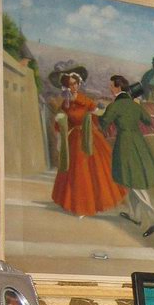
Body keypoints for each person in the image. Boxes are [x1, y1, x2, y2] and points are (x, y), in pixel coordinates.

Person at [48, 65, 126, 217]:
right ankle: (78, 204)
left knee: (95, 171)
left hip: (90, 137)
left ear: (78, 84)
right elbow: (66, 123)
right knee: (77, 172)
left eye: (75, 83)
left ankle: (93, 203)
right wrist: (60, 121)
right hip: (74, 139)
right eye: (70, 84)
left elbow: (97, 114)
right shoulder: (65, 104)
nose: (73, 87)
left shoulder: (85, 100)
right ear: (65, 86)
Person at [99, 75, 154, 238]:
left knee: (134, 183)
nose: (110, 89)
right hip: (139, 143)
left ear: (118, 88)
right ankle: (135, 216)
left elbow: (103, 123)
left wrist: (97, 112)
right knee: (131, 179)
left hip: (126, 144)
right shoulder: (134, 105)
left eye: (112, 86)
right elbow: (148, 121)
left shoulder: (115, 105)